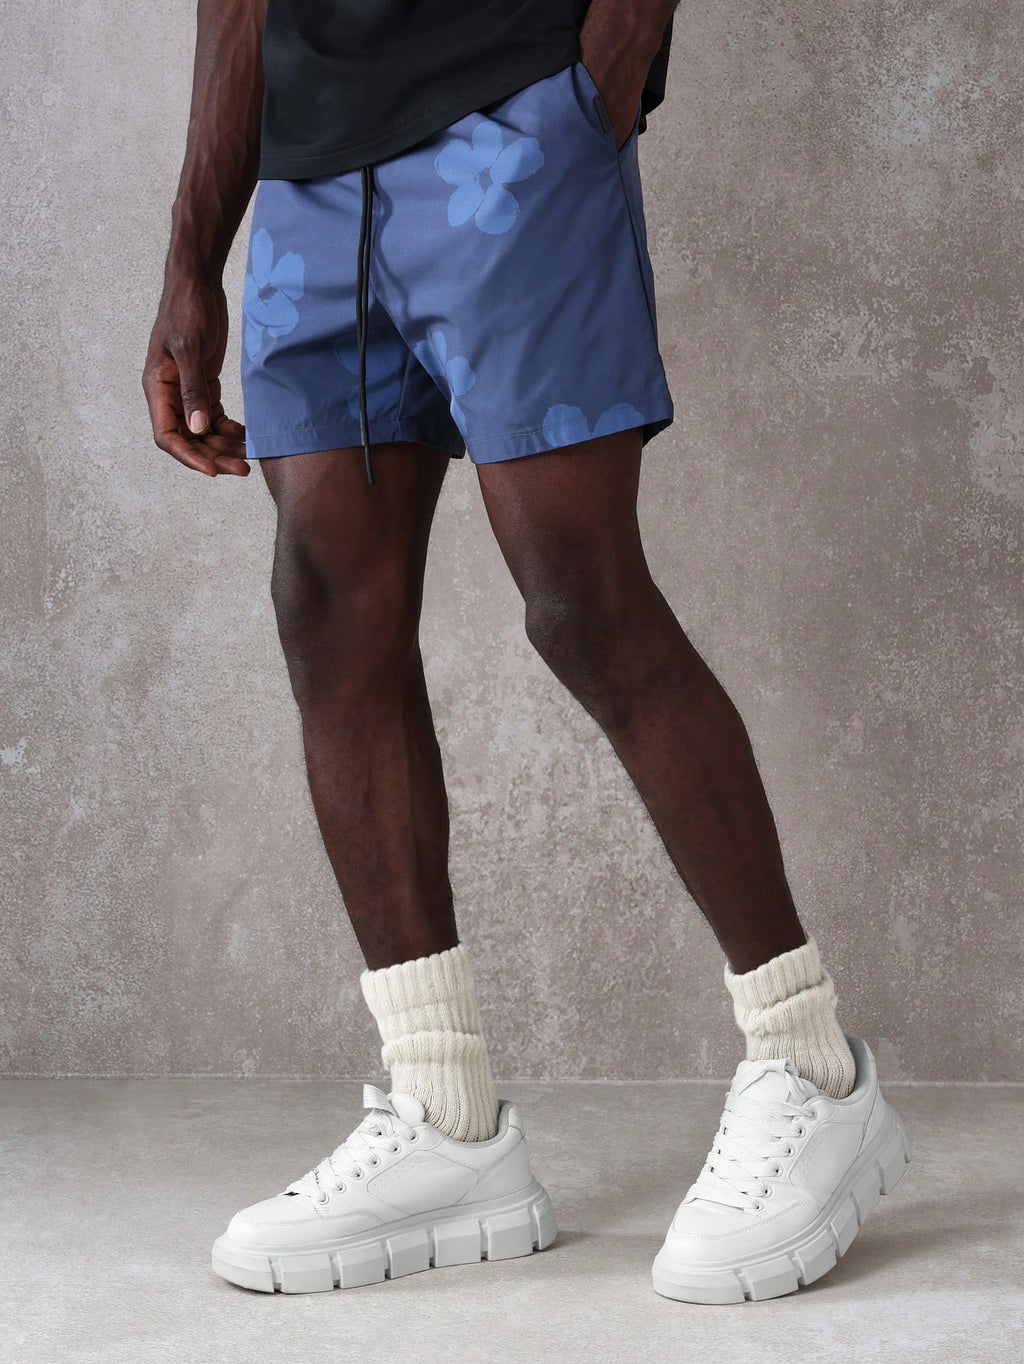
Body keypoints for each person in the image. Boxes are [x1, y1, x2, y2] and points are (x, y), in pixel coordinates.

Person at [142, 0, 911, 1304]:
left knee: (579, 601)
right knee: (325, 608)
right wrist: (189, 255)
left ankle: (811, 1066)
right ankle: (446, 1116)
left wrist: (602, 75)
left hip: (509, 117)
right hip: (311, 174)